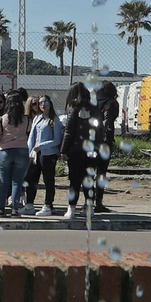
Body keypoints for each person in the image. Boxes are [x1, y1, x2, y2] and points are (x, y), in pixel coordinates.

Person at [0, 91, 32, 214]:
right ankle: (15, 208)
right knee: (17, 181)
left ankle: (0, 207)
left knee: (4, 181)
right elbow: (28, 131)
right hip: (21, 150)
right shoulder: (26, 119)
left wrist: (2, 143)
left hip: (5, 150)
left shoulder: (2, 119)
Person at [60, 81, 96, 220]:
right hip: (92, 150)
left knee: (74, 181)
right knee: (88, 180)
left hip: (75, 151)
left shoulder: (73, 110)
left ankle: (71, 208)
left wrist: (63, 151)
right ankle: (89, 208)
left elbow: (68, 132)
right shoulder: (93, 109)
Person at [24, 94, 61, 215]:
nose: (43, 105)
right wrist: (30, 151)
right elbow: (31, 136)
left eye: (45, 102)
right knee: (31, 179)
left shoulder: (55, 120)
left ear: (50, 104)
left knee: (48, 180)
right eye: (40, 103)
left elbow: (57, 140)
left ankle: (48, 205)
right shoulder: (37, 118)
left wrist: (42, 146)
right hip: (35, 154)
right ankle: (29, 204)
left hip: (48, 154)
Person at [94, 80, 119, 212]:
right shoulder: (111, 103)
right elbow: (108, 121)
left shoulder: (93, 102)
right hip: (104, 141)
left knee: (90, 171)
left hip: (91, 140)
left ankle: (88, 201)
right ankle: (98, 203)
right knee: (101, 172)